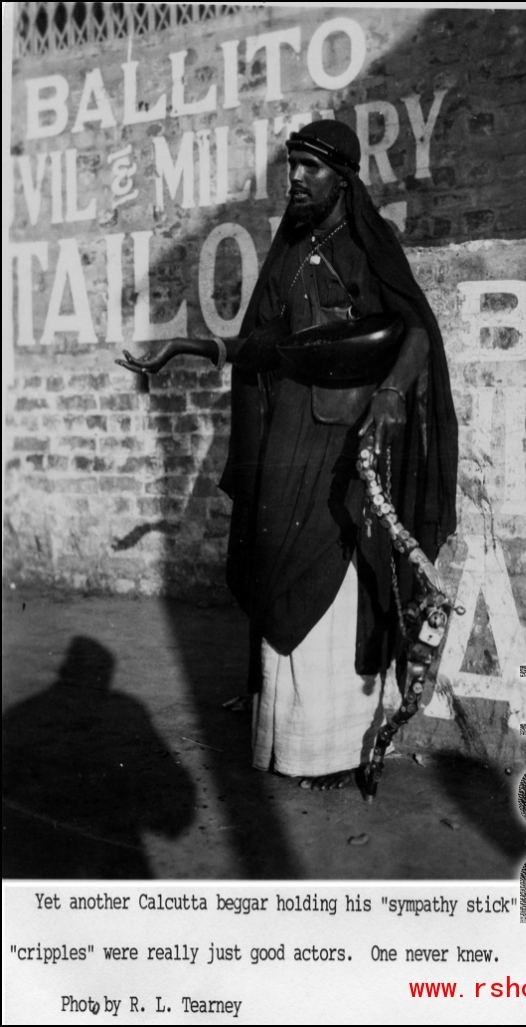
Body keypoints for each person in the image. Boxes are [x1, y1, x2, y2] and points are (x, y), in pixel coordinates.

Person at [117, 120, 458, 792]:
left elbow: (416, 328)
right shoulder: (291, 249)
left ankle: (330, 749)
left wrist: (389, 394)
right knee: (276, 564)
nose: (296, 179)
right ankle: (284, 739)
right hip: (286, 433)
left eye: (311, 168)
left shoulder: (368, 243)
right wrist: (192, 347)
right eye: (292, 167)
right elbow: (267, 342)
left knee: (327, 566)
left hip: (342, 435)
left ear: (344, 177)